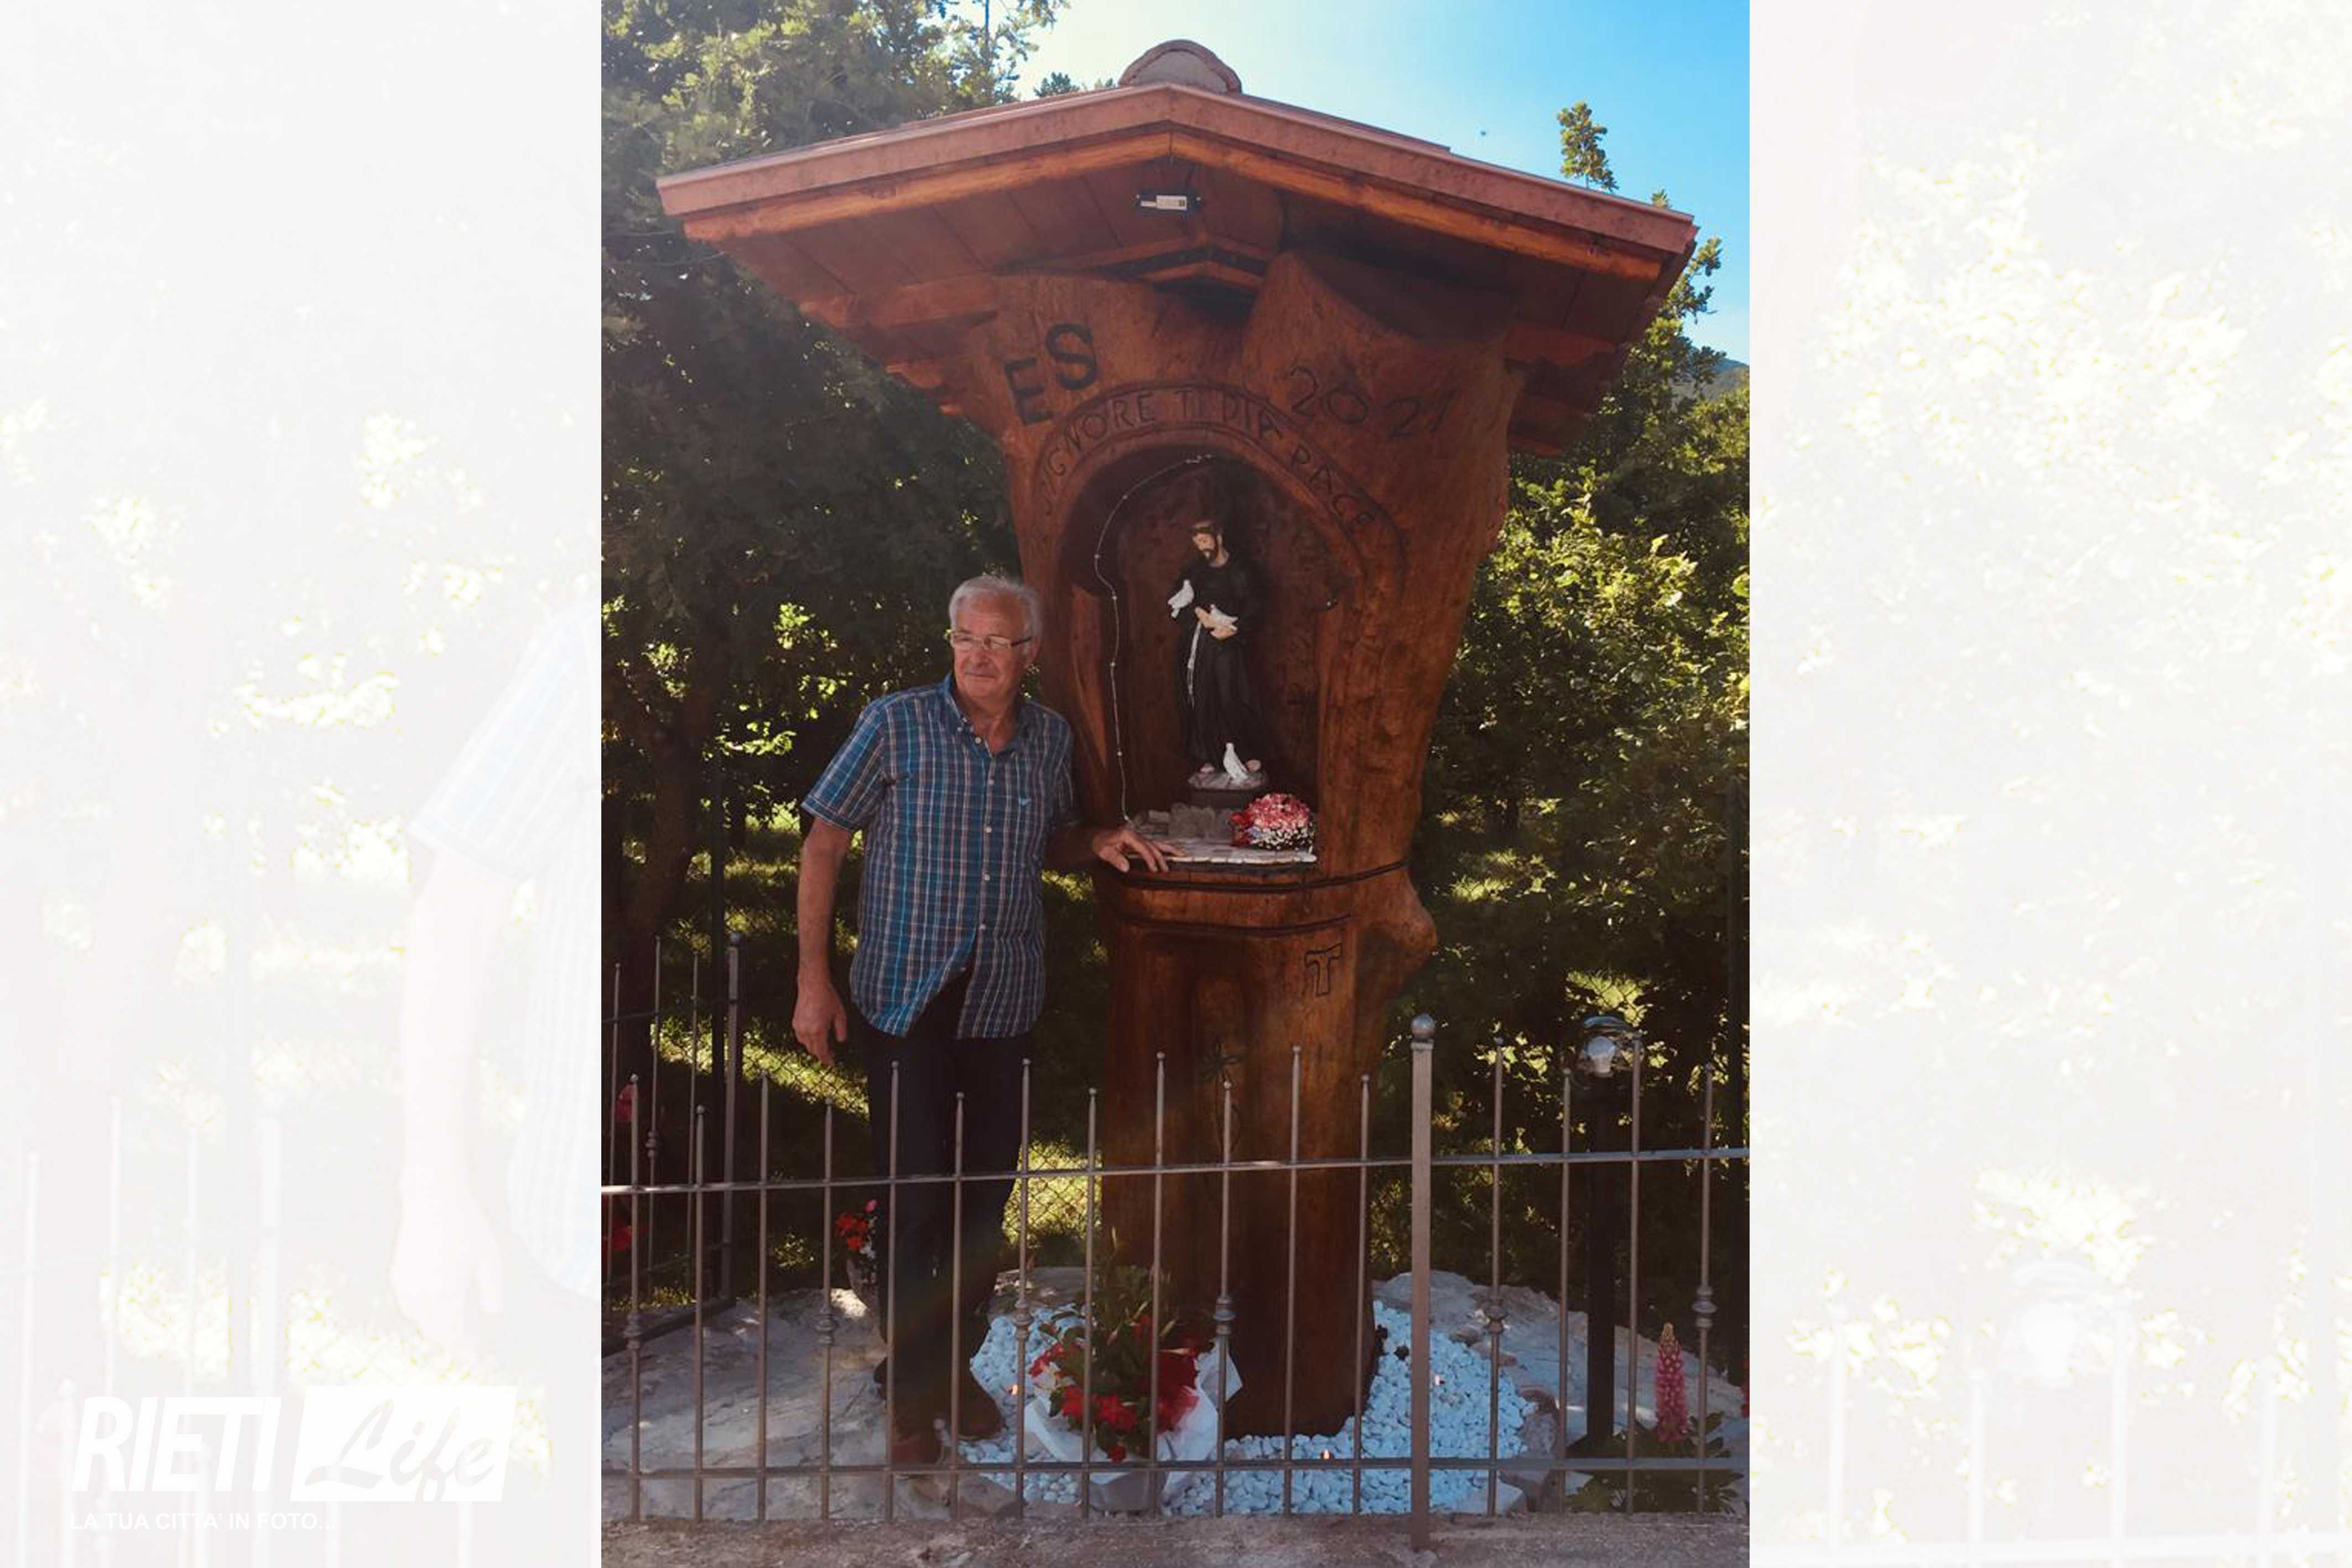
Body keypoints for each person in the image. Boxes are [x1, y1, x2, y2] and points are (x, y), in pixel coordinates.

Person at [792, 574, 1168, 1470]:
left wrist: (1095, 840)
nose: (978, 655)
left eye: (998, 641)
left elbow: (1053, 838)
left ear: (1028, 653)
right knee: (916, 1200)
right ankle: (911, 1395)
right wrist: (813, 978)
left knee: (982, 1206)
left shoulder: (1048, 739)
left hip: (1001, 1000)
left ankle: (949, 1367)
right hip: (903, 998)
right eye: (966, 637)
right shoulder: (896, 723)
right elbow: (823, 840)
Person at [1165, 517, 1267, 788]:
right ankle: (1210, 753)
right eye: (1197, 543)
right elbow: (1177, 602)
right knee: (1204, 697)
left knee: (1232, 695)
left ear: (1218, 537)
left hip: (1231, 644)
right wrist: (1198, 613)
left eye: (1205, 540)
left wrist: (1234, 629)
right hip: (1201, 646)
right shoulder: (1195, 571)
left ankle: (1246, 752)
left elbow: (1255, 607)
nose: (1202, 547)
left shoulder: (1241, 571)